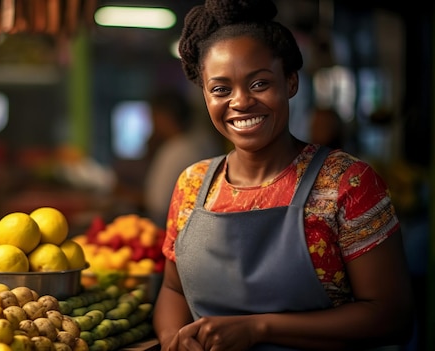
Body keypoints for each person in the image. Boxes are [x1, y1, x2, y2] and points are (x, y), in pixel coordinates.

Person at [152, 1, 415, 350]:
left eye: (259, 83)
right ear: (204, 94)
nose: (240, 101)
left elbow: (391, 317)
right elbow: (172, 290)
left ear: (290, 82)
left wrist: (258, 329)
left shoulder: (347, 182)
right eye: (220, 89)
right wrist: (174, 340)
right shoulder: (193, 183)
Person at [143, 89, 223, 227]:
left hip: (174, 228)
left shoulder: (176, 150)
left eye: (153, 116)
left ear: (162, 117)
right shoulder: (203, 142)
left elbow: (157, 204)